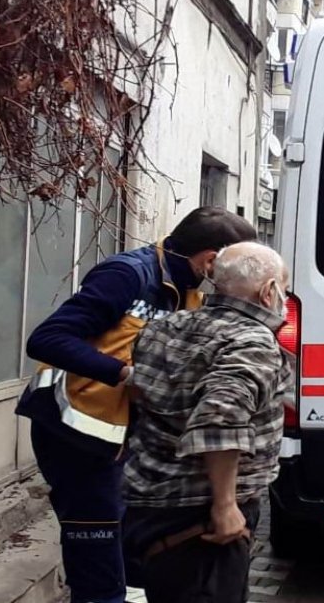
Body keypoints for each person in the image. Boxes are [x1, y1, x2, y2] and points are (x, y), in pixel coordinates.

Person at [18, 207, 257, 603]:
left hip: (124, 441)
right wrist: (127, 375)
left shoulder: (193, 289)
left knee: (132, 564)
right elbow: (47, 339)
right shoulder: (127, 274)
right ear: (211, 260)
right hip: (75, 434)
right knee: (98, 569)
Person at [121, 242, 292, 603]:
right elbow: (219, 420)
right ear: (269, 291)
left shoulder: (166, 326)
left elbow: (139, 392)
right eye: (284, 288)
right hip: (201, 521)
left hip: (153, 506)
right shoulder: (252, 340)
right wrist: (225, 506)